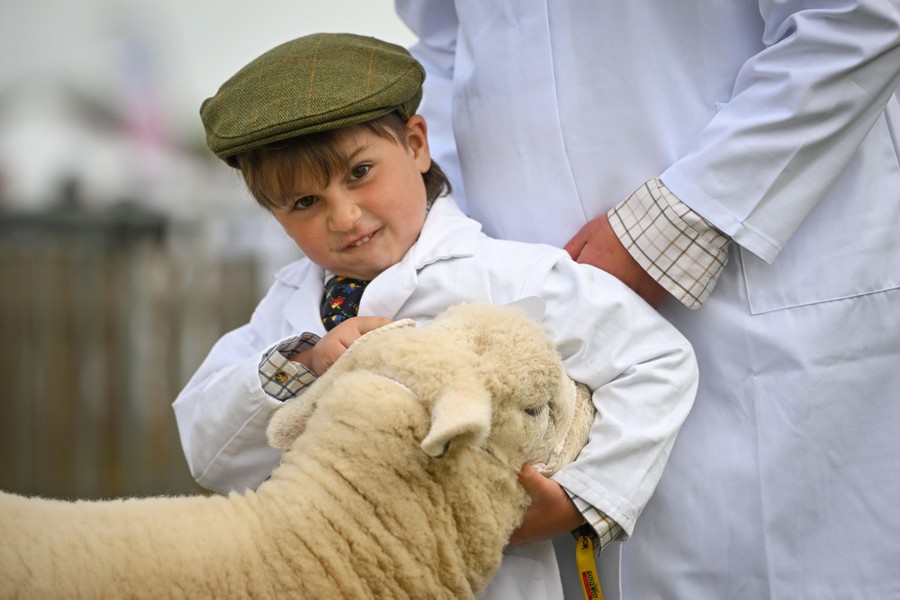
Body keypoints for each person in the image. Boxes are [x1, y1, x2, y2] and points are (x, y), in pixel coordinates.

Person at [396, 2, 900, 599]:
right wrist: (420, 250)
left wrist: (681, 222)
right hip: (521, 311)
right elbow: (446, 51)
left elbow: (855, 16)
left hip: (762, 270)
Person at [173, 33, 698, 599]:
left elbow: (658, 360)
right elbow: (209, 450)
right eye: (304, 203)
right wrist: (307, 363)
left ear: (417, 144)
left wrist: (581, 498)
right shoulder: (286, 310)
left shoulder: (511, 277)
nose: (345, 216)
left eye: (359, 172)